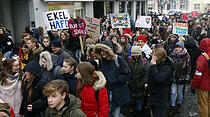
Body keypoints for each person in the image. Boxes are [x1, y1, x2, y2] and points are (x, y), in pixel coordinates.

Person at [94, 41, 131, 117]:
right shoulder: (102, 61)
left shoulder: (118, 59)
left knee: (116, 114)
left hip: (118, 92)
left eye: (104, 50)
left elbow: (128, 74)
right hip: (107, 92)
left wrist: (115, 79)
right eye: (101, 50)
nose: (102, 53)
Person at [147, 48, 173, 117]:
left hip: (160, 97)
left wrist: (153, 66)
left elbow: (159, 79)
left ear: (159, 57)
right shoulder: (155, 64)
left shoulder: (167, 68)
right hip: (152, 95)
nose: (152, 57)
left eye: (154, 55)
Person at [169, 41, 191, 116]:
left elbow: (188, 68)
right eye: (176, 47)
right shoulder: (172, 55)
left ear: (182, 48)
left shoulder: (187, 56)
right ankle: (172, 106)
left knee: (180, 92)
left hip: (181, 77)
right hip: (173, 76)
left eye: (179, 47)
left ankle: (178, 105)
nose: (178, 49)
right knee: (173, 92)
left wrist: (186, 78)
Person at [191, 38, 210, 117]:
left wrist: (193, 86)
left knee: (203, 105)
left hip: (203, 86)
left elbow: (198, 76)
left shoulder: (202, 59)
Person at [128, 46, 149, 116]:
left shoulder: (144, 62)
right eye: (133, 55)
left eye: (136, 55)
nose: (134, 57)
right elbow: (128, 72)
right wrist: (129, 81)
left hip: (140, 86)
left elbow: (146, 74)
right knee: (132, 99)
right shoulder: (129, 60)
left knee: (139, 101)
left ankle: (138, 113)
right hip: (131, 85)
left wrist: (141, 83)